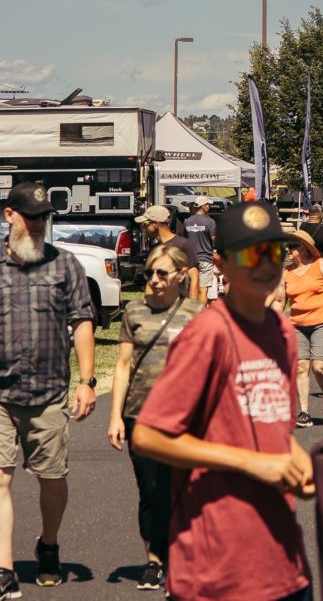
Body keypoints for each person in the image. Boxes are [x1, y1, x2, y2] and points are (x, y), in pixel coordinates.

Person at [131, 201, 314, 601]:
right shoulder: (206, 334)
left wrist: (296, 458)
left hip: (284, 564)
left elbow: (267, 424)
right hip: (218, 570)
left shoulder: (281, 331)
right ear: (221, 264)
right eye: (252, 253)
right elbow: (148, 436)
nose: (266, 264)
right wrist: (251, 462)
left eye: (275, 252)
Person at [0, 183, 96, 598]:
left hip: (50, 393)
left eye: (44, 217)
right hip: (0, 395)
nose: (39, 224)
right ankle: (3, 567)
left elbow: (82, 321)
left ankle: (49, 544)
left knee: (52, 479)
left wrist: (88, 380)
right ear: (9, 216)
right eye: (31, 216)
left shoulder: (65, 265)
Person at [107, 244, 202, 591]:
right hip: (140, 415)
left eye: (162, 273)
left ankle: (181, 554)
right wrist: (115, 416)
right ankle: (154, 559)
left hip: (184, 417)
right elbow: (121, 367)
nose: (155, 280)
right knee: (150, 490)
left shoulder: (196, 313)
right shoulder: (134, 312)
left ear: (180, 274)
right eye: (149, 273)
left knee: (183, 487)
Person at [281, 230, 323, 428]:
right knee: (301, 366)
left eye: (292, 247)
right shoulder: (287, 272)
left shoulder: (320, 266)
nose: (288, 250)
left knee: (318, 367)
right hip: (297, 324)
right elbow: (281, 301)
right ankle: (304, 411)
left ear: (303, 249)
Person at [136, 204, 200, 300]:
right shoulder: (155, 249)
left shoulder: (184, 245)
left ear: (156, 224)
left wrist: (192, 309)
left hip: (180, 307)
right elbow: (150, 282)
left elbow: (194, 279)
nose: (144, 228)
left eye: (145, 224)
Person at [184, 195, 217, 305]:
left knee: (193, 286)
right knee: (203, 289)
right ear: (203, 206)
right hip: (205, 258)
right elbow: (214, 240)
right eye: (207, 204)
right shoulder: (210, 222)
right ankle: (200, 313)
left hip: (191, 259)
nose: (209, 206)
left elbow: (185, 240)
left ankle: (191, 312)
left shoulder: (187, 222)